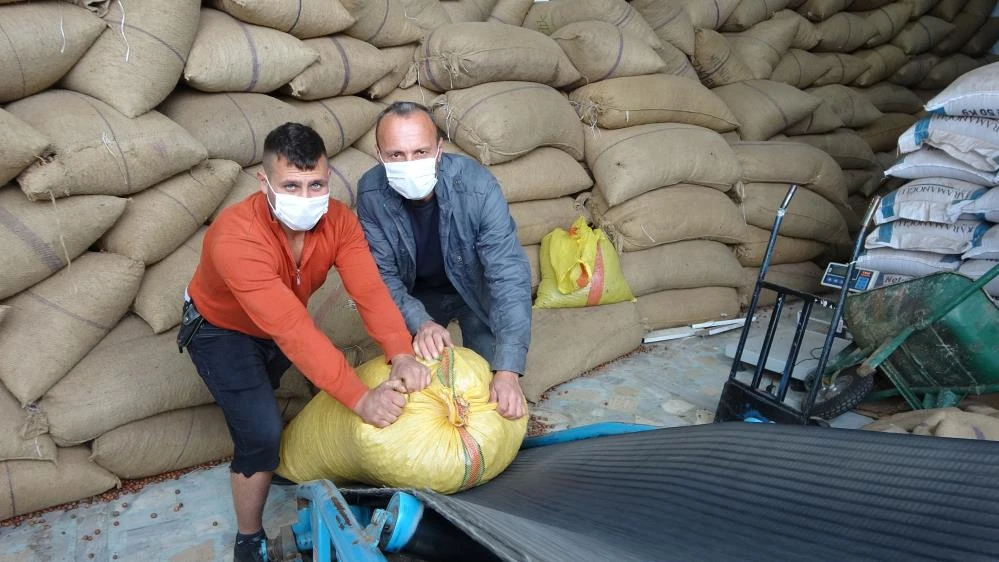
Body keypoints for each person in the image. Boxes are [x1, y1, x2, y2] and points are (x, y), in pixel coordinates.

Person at [180, 122, 429, 562]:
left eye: (316, 184)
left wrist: (401, 352)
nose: (306, 196)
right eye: (291, 186)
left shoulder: (340, 221)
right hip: (221, 330)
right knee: (261, 432)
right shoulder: (235, 236)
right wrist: (360, 399)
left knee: (266, 396)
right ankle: (249, 539)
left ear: (328, 178)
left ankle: (269, 458)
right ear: (264, 183)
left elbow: (369, 292)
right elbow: (293, 330)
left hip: (276, 325)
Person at [357, 101, 532, 420]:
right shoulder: (370, 193)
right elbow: (382, 277)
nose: (409, 163)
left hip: (473, 290)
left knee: (491, 389)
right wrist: (420, 323)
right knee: (419, 391)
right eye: (396, 155)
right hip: (417, 296)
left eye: (420, 152)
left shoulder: (477, 186)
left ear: (439, 150)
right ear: (379, 155)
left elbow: (508, 274)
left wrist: (508, 372)